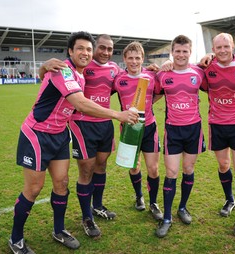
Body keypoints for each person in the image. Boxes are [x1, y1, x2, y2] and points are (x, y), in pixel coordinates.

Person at [9, 31, 138, 254]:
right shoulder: (64, 69)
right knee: (34, 187)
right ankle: (16, 239)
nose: (85, 53)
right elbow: (79, 102)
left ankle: (59, 230)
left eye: (89, 49)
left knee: (61, 184)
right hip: (36, 134)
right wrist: (118, 115)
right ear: (70, 51)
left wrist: (42, 68)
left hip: (59, 135)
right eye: (80, 48)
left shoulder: (79, 75)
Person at [39, 34, 122, 238]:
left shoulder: (114, 69)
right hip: (83, 124)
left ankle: (98, 206)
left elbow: (133, 73)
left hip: (105, 124)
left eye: (109, 49)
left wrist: (161, 66)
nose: (105, 52)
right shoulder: (80, 65)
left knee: (101, 166)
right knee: (86, 170)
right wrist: (44, 65)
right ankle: (87, 217)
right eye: (101, 47)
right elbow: (50, 77)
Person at [201, 33, 235, 236]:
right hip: (217, 124)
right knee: (224, 165)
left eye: (226, 46)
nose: (222, 50)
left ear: (233, 46)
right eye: (218, 47)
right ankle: (230, 200)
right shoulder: (207, 68)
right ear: (213, 49)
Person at [154, 35, 206, 238]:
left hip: (194, 129)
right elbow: (155, 93)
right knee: (172, 172)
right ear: (172, 52)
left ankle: (182, 208)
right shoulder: (163, 75)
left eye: (185, 51)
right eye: (177, 51)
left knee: (188, 169)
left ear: (190, 53)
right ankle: (167, 217)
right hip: (173, 130)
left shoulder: (199, 73)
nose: (181, 55)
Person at [113, 41, 163, 220]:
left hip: (149, 127)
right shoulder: (118, 79)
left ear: (143, 59)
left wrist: (145, 106)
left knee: (153, 168)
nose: (134, 62)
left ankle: (154, 203)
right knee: (134, 166)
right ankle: (139, 196)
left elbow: (160, 92)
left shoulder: (151, 76)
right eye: (130, 58)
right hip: (128, 130)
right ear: (124, 59)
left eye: (138, 58)